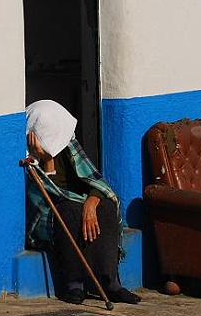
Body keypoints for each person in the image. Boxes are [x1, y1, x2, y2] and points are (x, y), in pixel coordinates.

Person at [24, 99, 141, 305]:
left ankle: (110, 282)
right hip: (54, 214)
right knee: (68, 211)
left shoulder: (69, 145)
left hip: (80, 202)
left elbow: (94, 180)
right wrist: (48, 161)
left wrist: (92, 201)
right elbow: (47, 198)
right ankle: (74, 284)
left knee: (106, 206)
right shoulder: (30, 161)